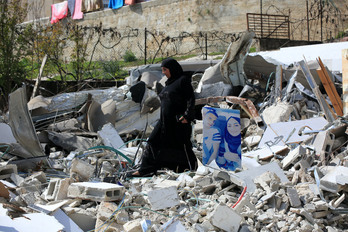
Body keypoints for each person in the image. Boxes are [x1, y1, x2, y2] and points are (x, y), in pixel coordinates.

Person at [131, 58, 197, 176]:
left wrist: (187, 116)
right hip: (164, 122)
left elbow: (191, 99)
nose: (163, 72)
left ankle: (192, 168)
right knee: (152, 142)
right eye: (162, 70)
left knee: (182, 146)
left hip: (178, 123)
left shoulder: (182, 81)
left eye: (165, 69)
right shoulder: (169, 84)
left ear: (172, 69)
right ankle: (145, 170)